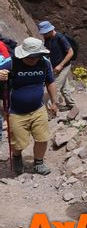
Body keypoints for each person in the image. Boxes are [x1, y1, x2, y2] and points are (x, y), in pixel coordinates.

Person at [0, 38, 58, 175]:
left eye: (36, 56)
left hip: (38, 109)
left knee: (42, 138)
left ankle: (38, 163)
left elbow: (50, 82)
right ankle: (17, 158)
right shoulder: (12, 62)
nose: (33, 59)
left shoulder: (44, 62)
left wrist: (54, 102)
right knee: (18, 143)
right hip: (16, 111)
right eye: (30, 56)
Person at [38, 21, 76, 110]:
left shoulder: (60, 37)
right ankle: (71, 105)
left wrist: (61, 65)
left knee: (55, 88)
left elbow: (71, 53)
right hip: (55, 66)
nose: (44, 35)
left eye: (45, 33)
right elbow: (47, 52)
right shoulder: (47, 38)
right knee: (64, 87)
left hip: (64, 66)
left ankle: (51, 110)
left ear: (51, 30)